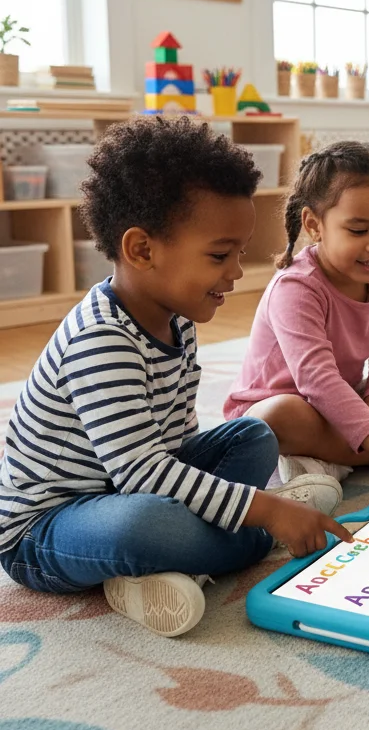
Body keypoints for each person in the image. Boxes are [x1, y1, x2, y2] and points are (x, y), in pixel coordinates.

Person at [0, 118, 347, 638]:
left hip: (125, 483)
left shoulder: (177, 317)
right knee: (142, 526)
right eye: (218, 255)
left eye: (239, 253)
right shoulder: (102, 340)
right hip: (45, 530)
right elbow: (142, 474)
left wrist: (232, 499)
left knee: (252, 435)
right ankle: (245, 540)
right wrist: (266, 513)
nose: (236, 272)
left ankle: (174, 564)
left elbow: (176, 442)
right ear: (142, 249)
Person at [225, 140, 369, 495]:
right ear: (314, 224)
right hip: (284, 409)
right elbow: (316, 380)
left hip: (344, 403)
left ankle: (332, 459)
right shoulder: (296, 287)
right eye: (358, 230)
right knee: (275, 417)